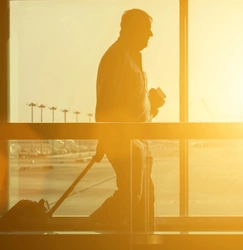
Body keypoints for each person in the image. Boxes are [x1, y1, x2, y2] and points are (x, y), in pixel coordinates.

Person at [88, 8, 166, 233]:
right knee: (132, 194)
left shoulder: (130, 58)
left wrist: (150, 106)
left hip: (139, 142)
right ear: (134, 29)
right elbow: (108, 103)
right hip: (126, 142)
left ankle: (140, 240)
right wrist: (106, 139)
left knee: (143, 199)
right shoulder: (117, 57)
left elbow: (128, 104)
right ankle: (85, 232)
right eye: (147, 29)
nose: (150, 35)